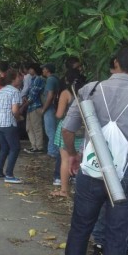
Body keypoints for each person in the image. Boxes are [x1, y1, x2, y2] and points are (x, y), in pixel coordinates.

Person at [60, 44, 128, 255]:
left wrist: (73, 154)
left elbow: (68, 130)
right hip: (126, 176)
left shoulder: (90, 89)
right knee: (117, 236)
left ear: (114, 63)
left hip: (91, 169)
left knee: (81, 226)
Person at [50, 69, 86, 198]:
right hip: (84, 129)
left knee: (66, 160)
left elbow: (59, 114)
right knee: (83, 161)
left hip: (68, 128)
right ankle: (81, 191)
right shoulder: (89, 92)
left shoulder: (66, 93)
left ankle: (64, 190)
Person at [0, 69, 24, 184]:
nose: (21, 79)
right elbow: (15, 110)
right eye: (19, 77)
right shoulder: (15, 91)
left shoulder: (2, 90)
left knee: (4, 148)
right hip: (7, 123)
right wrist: (19, 117)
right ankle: (9, 175)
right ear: (13, 79)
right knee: (15, 148)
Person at [23, 63, 45, 154]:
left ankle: (39, 147)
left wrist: (24, 104)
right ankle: (34, 146)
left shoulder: (38, 79)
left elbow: (33, 94)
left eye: (30, 69)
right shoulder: (32, 79)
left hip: (35, 106)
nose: (28, 71)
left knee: (36, 127)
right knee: (29, 127)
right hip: (30, 107)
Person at [41, 63, 60, 159]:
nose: (43, 71)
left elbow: (50, 95)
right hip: (55, 107)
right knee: (54, 130)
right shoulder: (55, 78)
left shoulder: (50, 79)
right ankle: (54, 150)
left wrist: (44, 108)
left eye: (44, 69)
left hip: (50, 108)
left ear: (47, 70)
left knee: (50, 131)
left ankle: (52, 151)